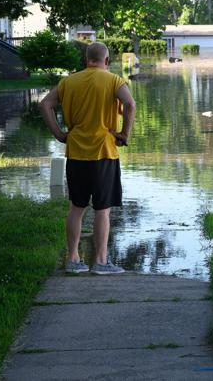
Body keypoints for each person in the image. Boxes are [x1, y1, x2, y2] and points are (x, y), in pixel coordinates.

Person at [40, 42, 136, 275]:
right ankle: (101, 262)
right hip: (104, 152)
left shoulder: (69, 82)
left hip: (76, 153)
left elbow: (45, 104)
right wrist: (124, 134)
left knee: (76, 207)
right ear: (107, 60)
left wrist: (60, 134)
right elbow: (130, 104)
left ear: (86, 60)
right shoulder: (113, 81)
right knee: (103, 210)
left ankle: (73, 259)